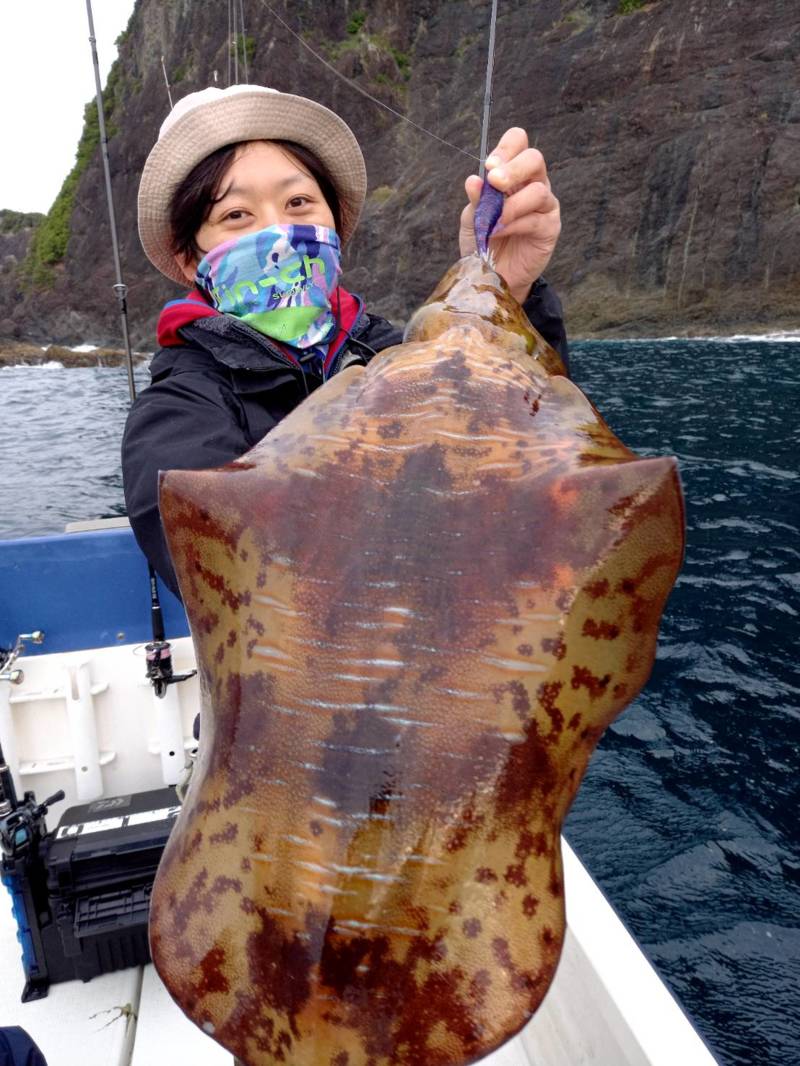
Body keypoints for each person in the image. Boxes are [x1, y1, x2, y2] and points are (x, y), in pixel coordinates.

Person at [122, 84, 567, 598]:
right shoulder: (177, 412)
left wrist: (502, 295)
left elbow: (532, 460)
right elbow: (228, 568)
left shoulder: (401, 354)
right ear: (190, 259)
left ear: (334, 224)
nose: (279, 232)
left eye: (298, 202)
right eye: (236, 215)